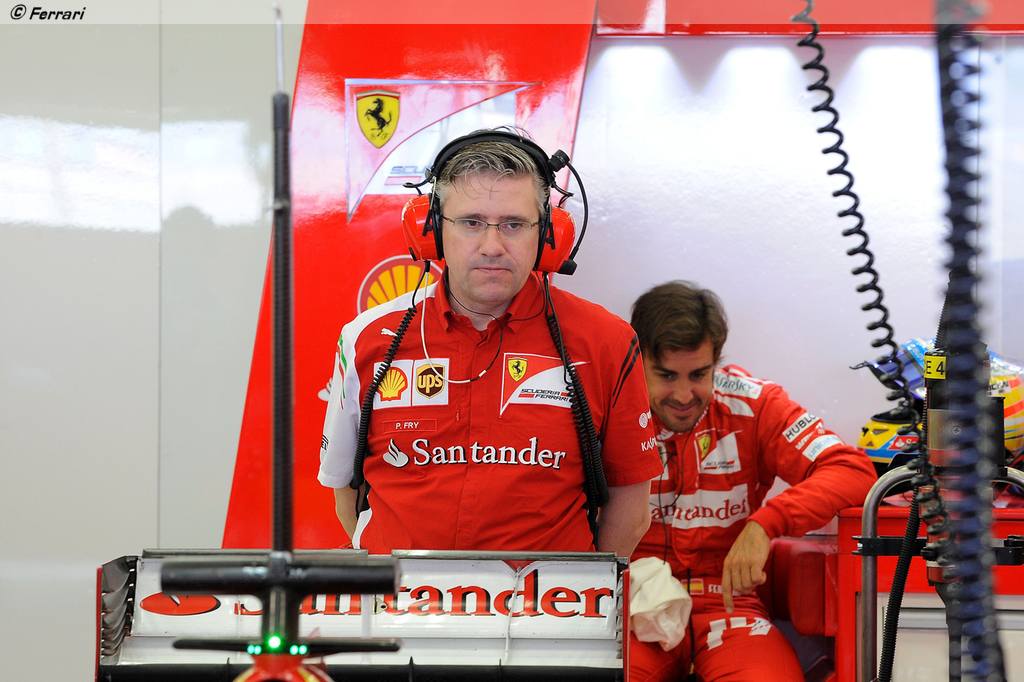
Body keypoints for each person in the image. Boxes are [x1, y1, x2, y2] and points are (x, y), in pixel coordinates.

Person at [317, 129, 662, 556]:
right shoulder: (366, 338)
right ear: (432, 229)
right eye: (471, 223)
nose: (492, 246)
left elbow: (631, 510)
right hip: (399, 597)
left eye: (514, 225)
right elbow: (346, 494)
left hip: (547, 598)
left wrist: (575, 589)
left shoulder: (606, 342)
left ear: (547, 235)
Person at [627, 281, 877, 681]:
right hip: (631, 602)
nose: (684, 394)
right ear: (636, 360)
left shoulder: (754, 405)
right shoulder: (606, 408)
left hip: (728, 602)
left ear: (717, 361)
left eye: (699, 374)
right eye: (666, 375)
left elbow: (852, 470)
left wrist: (767, 524)